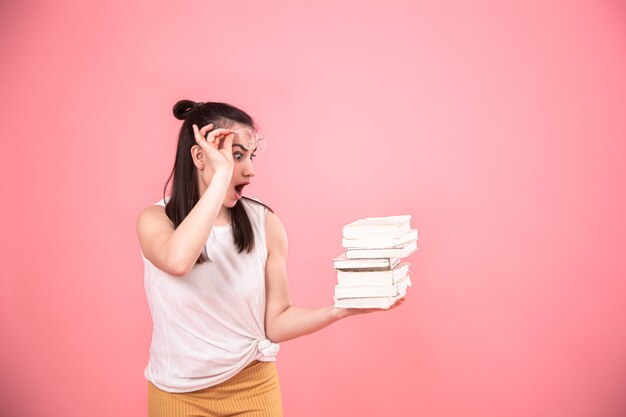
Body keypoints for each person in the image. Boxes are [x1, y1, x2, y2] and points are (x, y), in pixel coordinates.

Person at [136, 100, 404, 417]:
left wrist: (339, 311)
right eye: (236, 156)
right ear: (200, 156)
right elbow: (178, 261)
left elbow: (275, 324)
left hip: (254, 389)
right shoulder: (156, 220)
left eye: (250, 156)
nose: (250, 169)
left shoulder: (265, 222)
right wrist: (221, 175)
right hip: (178, 394)